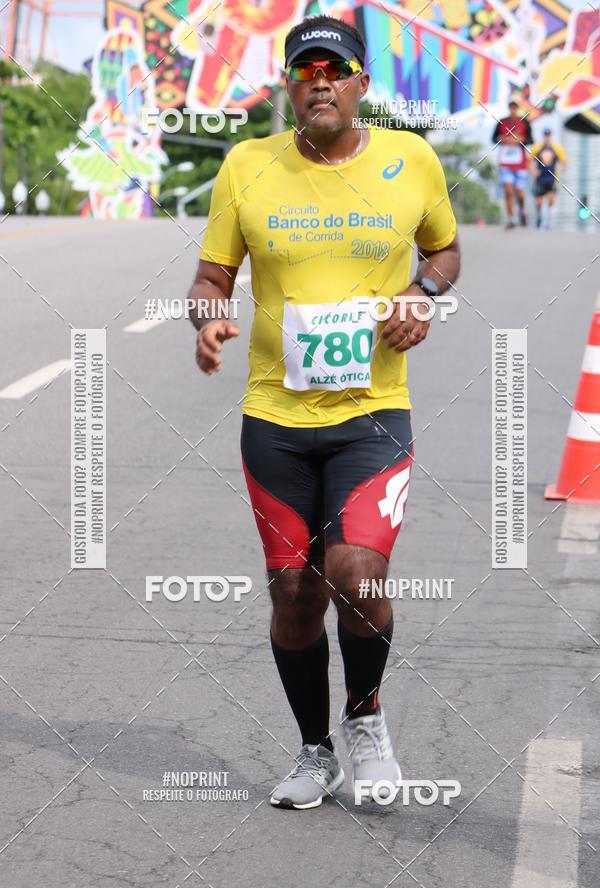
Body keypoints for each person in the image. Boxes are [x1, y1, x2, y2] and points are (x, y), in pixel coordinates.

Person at [189, 13, 460, 810]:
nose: (320, 82)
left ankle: (366, 719)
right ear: (290, 85)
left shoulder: (411, 159)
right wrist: (205, 317)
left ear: (360, 86)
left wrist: (424, 291)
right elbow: (211, 276)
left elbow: (443, 251)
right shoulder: (246, 164)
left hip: (374, 414)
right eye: (305, 71)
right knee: (294, 593)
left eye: (334, 71)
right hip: (273, 417)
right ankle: (315, 752)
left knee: (354, 570)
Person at [492, 99, 533, 229]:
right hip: (505, 163)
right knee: (508, 191)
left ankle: (522, 211)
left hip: (520, 163)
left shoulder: (524, 122)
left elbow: (531, 139)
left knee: (519, 192)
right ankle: (511, 219)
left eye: (515, 107)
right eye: (511, 107)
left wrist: (520, 140)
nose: (513, 109)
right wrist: (503, 139)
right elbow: (493, 139)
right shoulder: (501, 122)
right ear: (509, 108)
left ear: (518, 108)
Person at [529, 128, 567, 229]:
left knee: (551, 200)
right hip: (540, 178)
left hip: (552, 178)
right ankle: (539, 217)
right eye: (545, 135)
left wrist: (561, 169)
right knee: (538, 201)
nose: (547, 137)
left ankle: (549, 221)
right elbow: (529, 161)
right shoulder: (537, 147)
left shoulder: (557, 148)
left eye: (548, 135)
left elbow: (564, 162)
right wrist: (533, 171)